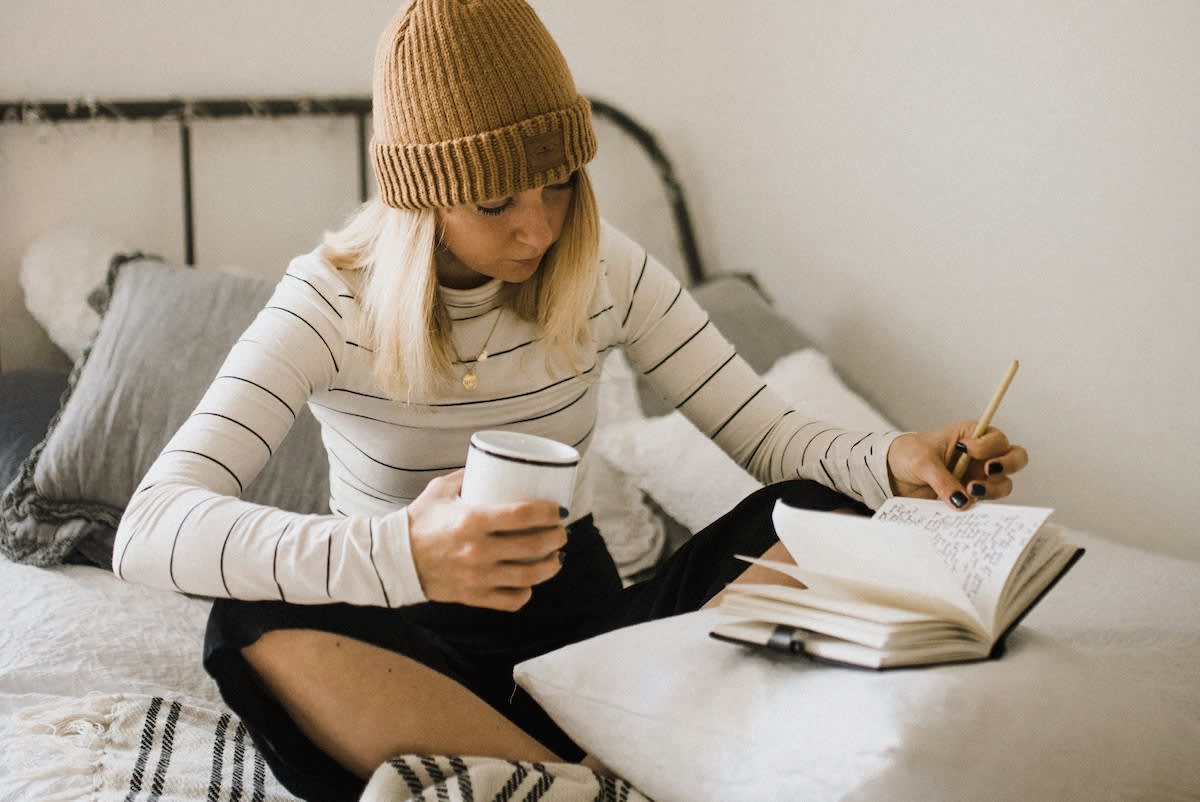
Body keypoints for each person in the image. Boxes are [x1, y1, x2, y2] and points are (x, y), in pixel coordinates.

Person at [112, 1, 1028, 799]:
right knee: (244, 620)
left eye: (557, 183)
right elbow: (148, 529)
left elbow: (772, 436)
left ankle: (562, 771)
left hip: (596, 646)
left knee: (826, 510)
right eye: (497, 199)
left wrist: (890, 458)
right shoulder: (327, 303)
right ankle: (595, 780)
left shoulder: (604, 268)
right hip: (410, 662)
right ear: (423, 199)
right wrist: (401, 554)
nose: (538, 226)